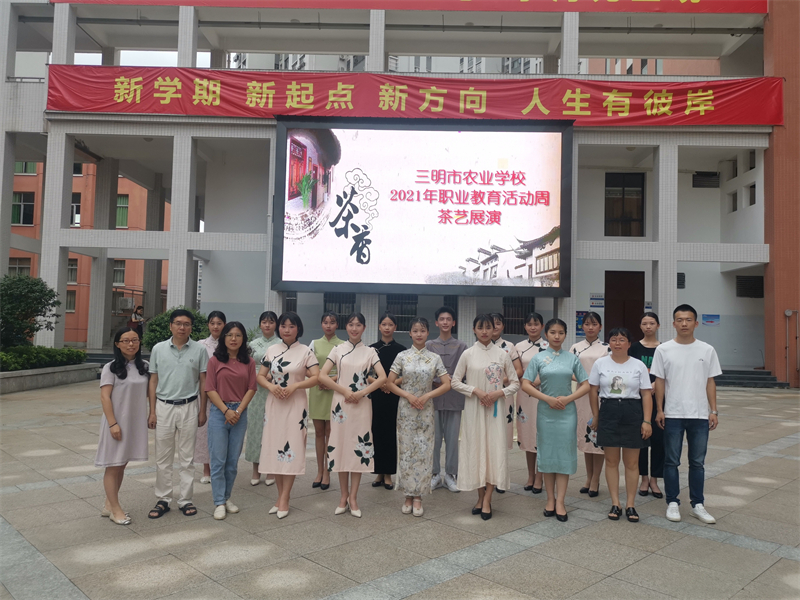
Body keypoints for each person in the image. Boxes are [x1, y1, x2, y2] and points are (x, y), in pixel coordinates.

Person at [652, 304, 722, 525]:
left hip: (699, 415)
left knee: (697, 462)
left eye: (688, 319)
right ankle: (673, 502)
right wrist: (660, 409)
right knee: (671, 461)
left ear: (696, 323)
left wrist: (713, 410)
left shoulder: (707, 350)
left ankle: (697, 504)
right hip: (672, 413)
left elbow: (710, 381)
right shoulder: (663, 350)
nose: (684, 323)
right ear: (673, 323)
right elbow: (659, 381)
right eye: (680, 320)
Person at [451, 314, 520, 520]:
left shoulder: (502, 354)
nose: (484, 331)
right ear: (474, 329)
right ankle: (480, 497)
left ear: (494, 329)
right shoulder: (468, 354)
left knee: (493, 452)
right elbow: (455, 382)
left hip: (495, 412)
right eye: (480, 327)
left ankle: (488, 499)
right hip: (474, 409)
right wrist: (476, 391)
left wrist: (499, 393)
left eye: (488, 327)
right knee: (476, 450)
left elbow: (515, 383)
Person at [318, 313, 387, 518]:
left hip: (362, 405)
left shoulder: (371, 352)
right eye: (351, 324)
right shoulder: (337, 349)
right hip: (341, 405)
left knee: (359, 448)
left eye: (358, 325)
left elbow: (382, 377)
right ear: (346, 327)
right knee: (340, 447)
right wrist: (345, 391)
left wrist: (361, 393)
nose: (354, 328)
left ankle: (354, 498)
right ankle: (343, 497)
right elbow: (322, 375)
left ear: (364, 328)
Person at [521, 318, 590, 522]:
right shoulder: (538, 358)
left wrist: (568, 399)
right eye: (553, 332)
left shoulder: (572, 358)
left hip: (567, 413)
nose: (557, 336)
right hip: (546, 412)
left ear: (565, 335)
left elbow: (586, 384)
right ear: (547, 334)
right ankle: (550, 499)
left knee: (564, 455)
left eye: (561, 333)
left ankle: (561, 501)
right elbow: (525, 384)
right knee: (548, 455)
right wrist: (547, 399)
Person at [258, 312, 320, 519]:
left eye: (291, 326)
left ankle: (285, 498)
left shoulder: (306, 351)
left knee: (291, 448)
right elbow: (261, 376)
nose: (286, 330)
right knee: (275, 447)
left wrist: (295, 386)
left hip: (296, 405)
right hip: (275, 403)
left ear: (298, 329)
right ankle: (279, 497)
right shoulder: (271, 350)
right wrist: (271, 387)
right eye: (283, 326)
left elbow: (316, 377)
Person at [147, 309, 208, 519]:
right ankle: (163, 499)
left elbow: (203, 381)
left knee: (187, 457)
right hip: (163, 406)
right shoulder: (158, 349)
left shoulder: (200, 350)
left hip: (189, 406)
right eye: (178, 323)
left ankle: (185, 499)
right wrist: (152, 411)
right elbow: (153, 380)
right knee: (163, 457)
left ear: (191, 327)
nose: (182, 327)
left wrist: (202, 410)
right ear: (171, 326)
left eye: (186, 324)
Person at [387, 317, 451, 517]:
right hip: (406, 410)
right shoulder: (402, 356)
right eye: (415, 331)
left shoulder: (434, 358)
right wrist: (408, 396)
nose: (419, 334)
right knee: (406, 451)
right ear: (410, 333)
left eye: (422, 331)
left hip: (425, 410)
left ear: (428, 333)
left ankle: (418, 497)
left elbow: (447, 384)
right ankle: (407, 494)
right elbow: (389, 383)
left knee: (423, 451)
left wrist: (427, 396)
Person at [589, 327, 653, 523]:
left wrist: (646, 421)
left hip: (632, 411)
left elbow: (646, 394)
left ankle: (630, 504)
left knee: (632, 463)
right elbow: (593, 391)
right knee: (611, 461)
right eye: (614, 339)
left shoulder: (638, 365)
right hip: (609, 411)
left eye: (622, 339)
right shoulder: (600, 363)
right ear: (609, 343)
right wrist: (596, 416)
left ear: (629, 343)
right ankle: (615, 503)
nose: (618, 343)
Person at [95, 327, 150, 525]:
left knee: (122, 464)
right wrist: (113, 424)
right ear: (117, 344)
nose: (131, 344)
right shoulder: (110, 368)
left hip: (134, 423)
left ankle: (109, 504)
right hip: (116, 422)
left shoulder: (145, 366)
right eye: (126, 340)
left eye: (135, 340)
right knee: (113, 465)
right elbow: (105, 397)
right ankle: (115, 509)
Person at [205, 321, 256, 520]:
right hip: (220, 413)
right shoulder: (214, 361)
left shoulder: (249, 362)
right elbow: (210, 389)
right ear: (223, 338)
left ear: (243, 339)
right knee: (218, 460)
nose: (233, 339)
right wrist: (226, 411)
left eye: (238, 335)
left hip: (239, 414)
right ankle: (218, 502)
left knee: (232, 461)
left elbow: (251, 388)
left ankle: (226, 497)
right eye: (229, 335)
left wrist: (238, 411)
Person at [426, 306, 468, 493]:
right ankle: (434, 474)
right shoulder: (429, 345)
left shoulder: (461, 347)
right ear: (436, 322)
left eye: (448, 319)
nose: (445, 322)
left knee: (452, 439)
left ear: (453, 323)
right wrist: (438, 380)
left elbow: (464, 371)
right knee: (433, 439)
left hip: (454, 398)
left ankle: (451, 474)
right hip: (433, 399)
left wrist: (451, 380)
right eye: (441, 319)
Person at [569, 312, 609, 497]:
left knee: (597, 438)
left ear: (600, 326)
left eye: (594, 324)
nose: (590, 327)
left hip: (601, 394)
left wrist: (595, 381)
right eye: (587, 324)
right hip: (582, 395)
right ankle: (588, 477)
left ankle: (596, 479)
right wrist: (584, 380)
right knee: (586, 437)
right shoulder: (575, 348)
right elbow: (568, 369)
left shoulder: (607, 348)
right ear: (582, 326)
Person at [369, 312, 406, 490]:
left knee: (390, 433)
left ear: (395, 327)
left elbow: (405, 374)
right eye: (384, 324)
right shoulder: (371, 349)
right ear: (379, 326)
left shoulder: (402, 350)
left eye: (390, 324)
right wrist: (379, 384)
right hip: (376, 395)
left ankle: (389, 474)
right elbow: (366, 374)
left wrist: (390, 384)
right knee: (376, 431)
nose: (387, 327)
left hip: (393, 395)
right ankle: (378, 472)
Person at [629, 312, 664, 499]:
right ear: (640, 326)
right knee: (641, 440)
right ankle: (643, 478)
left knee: (659, 440)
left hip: (660, 400)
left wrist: (656, 384)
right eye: (645, 323)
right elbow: (628, 370)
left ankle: (654, 479)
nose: (648, 326)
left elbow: (668, 372)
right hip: (638, 400)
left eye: (652, 323)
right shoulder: (634, 348)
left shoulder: (664, 348)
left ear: (658, 325)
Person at [308, 311, 344, 490]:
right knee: (318, 432)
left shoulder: (343, 345)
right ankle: (319, 471)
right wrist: (319, 379)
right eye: (325, 322)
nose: (329, 325)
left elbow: (345, 369)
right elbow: (306, 366)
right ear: (321, 324)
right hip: (317, 389)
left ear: (337, 325)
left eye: (332, 322)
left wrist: (331, 381)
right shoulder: (314, 343)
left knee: (330, 432)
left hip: (334, 390)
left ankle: (328, 472)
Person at [515, 312, 549, 494]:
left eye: (536, 324)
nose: (533, 327)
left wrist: (537, 381)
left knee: (541, 434)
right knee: (528, 435)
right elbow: (516, 370)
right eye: (529, 324)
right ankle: (530, 475)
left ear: (542, 326)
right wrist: (527, 383)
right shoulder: (518, 347)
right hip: (524, 394)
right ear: (525, 327)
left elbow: (552, 368)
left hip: (543, 393)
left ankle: (540, 476)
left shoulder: (548, 346)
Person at [490, 312, 523, 493]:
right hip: (485, 396)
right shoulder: (479, 346)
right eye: (491, 323)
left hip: (504, 395)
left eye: (498, 323)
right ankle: (488, 477)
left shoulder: (509, 346)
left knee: (501, 439)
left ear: (503, 326)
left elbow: (518, 370)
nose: (495, 326)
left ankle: (500, 479)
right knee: (487, 438)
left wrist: (501, 381)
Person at [246, 311, 280, 487]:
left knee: (273, 429)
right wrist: (257, 376)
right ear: (260, 324)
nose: (267, 325)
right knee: (255, 428)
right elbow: (246, 366)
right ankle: (256, 469)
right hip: (256, 391)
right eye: (264, 322)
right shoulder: (252, 345)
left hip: (274, 390)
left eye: (271, 322)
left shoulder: (281, 344)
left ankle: (271, 469)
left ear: (276, 325)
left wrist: (272, 376)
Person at [196, 310, 226, 485]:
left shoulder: (229, 343)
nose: (216, 326)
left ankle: (221, 468)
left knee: (222, 433)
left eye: (219, 323)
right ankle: (206, 469)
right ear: (208, 325)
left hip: (225, 394)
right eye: (212, 323)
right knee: (205, 433)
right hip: (206, 394)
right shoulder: (201, 345)